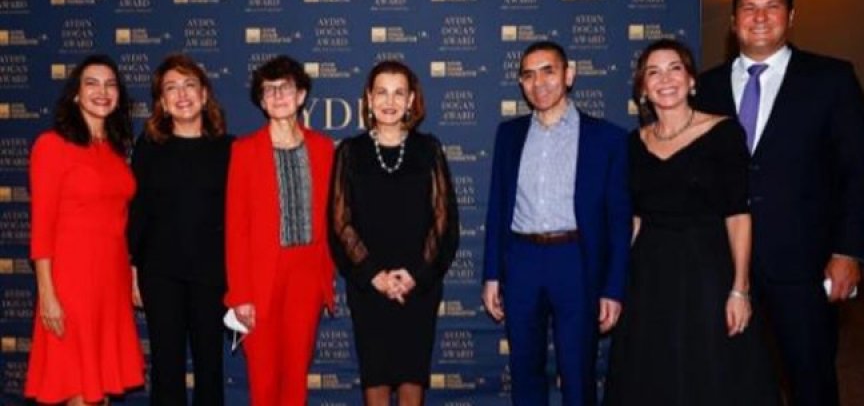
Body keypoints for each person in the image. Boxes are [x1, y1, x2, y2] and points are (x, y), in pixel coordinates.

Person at [694, 0, 864, 405]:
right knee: (736, 381)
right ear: (733, 21)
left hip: (804, 266)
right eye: (749, 8)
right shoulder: (706, 88)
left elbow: (859, 171)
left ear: (791, 16)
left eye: (772, 6)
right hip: (723, 265)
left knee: (810, 379)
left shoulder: (831, 79)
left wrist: (848, 252)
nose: (760, 17)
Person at [603, 39, 780, 405]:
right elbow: (633, 220)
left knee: (710, 371)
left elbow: (738, 214)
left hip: (707, 272)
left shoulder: (724, 133)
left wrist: (740, 289)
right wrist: (614, 283)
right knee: (650, 372)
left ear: (692, 80)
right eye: (653, 72)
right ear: (642, 89)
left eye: (675, 69)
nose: (665, 79)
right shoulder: (633, 143)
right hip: (649, 277)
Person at [481, 41, 631, 406]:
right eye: (528, 75)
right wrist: (492, 274)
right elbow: (498, 207)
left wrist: (613, 289)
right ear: (521, 83)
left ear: (569, 75)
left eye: (548, 71)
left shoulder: (607, 138)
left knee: (578, 371)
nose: (539, 83)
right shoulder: (509, 135)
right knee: (524, 370)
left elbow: (619, 221)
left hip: (576, 259)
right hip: (522, 260)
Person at [329, 60, 459, 406]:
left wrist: (414, 274)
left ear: (411, 99)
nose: (390, 101)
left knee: (412, 379)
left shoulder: (428, 149)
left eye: (399, 93)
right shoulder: (350, 152)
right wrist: (375, 276)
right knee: (375, 379)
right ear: (369, 99)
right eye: (382, 92)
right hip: (369, 286)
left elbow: (444, 220)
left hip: (418, 286)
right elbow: (340, 222)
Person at [25, 54, 144, 405]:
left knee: (98, 388)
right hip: (72, 282)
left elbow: (119, 221)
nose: (102, 91)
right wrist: (47, 293)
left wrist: (131, 274)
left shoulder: (114, 151)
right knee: (79, 387)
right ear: (76, 94)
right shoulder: (52, 146)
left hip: (112, 280)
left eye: (110, 84)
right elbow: (42, 226)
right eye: (91, 83)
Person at [225, 55, 336, 405]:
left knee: (296, 373)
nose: (277, 96)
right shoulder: (244, 151)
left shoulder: (323, 148)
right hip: (261, 278)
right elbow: (236, 228)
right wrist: (240, 293)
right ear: (261, 101)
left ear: (301, 95)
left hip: (307, 273)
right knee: (263, 376)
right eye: (268, 90)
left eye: (285, 88)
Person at [127, 54, 233, 405]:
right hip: (160, 274)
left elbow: (240, 220)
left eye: (190, 85)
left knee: (210, 369)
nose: (182, 94)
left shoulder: (229, 149)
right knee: (166, 370)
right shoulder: (149, 147)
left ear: (204, 95)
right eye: (171, 88)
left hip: (212, 275)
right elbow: (138, 212)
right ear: (162, 101)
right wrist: (132, 271)